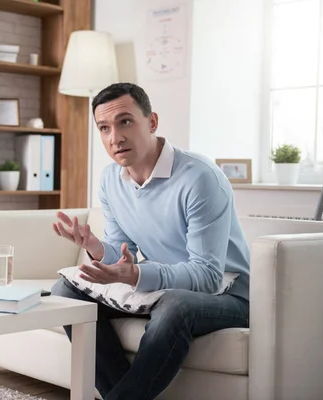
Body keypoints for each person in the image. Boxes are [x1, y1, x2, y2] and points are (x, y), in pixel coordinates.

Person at [51, 83, 250, 400]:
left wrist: (137, 275)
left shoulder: (199, 177)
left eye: (125, 122)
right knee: (65, 290)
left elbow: (208, 276)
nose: (114, 138)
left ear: (152, 122)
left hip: (229, 295)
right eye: (104, 128)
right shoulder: (110, 180)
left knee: (176, 304)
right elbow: (122, 253)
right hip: (162, 290)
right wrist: (97, 248)